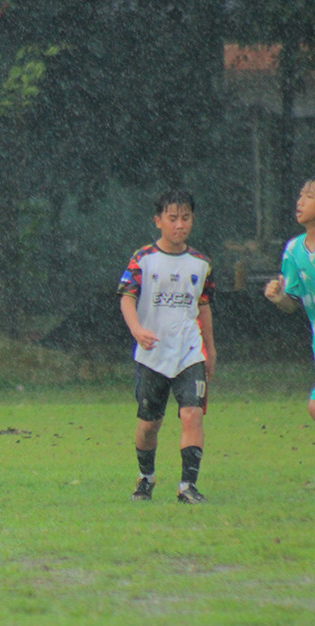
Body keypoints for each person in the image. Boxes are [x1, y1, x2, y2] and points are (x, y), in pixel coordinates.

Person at [117, 189, 216, 504]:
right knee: (149, 425)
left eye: (185, 218)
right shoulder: (143, 259)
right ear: (158, 221)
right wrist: (137, 330)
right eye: (172, 218)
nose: (179, 225)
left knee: (192, 414)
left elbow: (203, 307)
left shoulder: (201, 264)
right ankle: (146, 478)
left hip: (189, 352)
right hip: (152, 356)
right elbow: (127, 297)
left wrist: (210, 351)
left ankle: (188, 486)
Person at [265, 178, 315, 421]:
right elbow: (291, 304)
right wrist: (279, 297)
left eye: (310, 196)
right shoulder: (294, 250)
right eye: (301, 195)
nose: (300, 201)